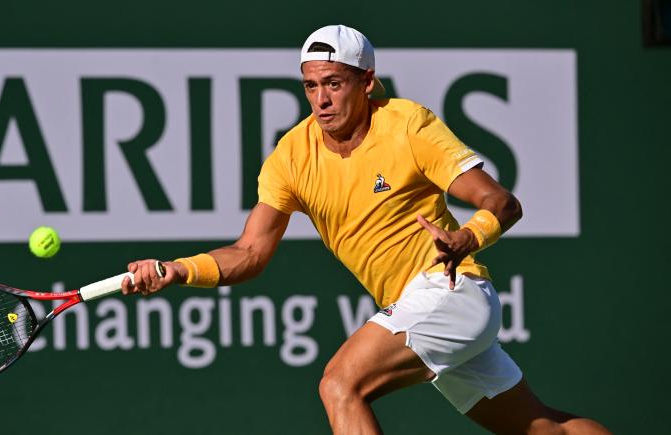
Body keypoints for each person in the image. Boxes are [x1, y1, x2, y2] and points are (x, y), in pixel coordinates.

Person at [121, 24, 611, 435]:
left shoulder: (407, 125)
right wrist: (177, 269)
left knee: (340, 383)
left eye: (334, 83)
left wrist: (467, 236)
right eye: (311, 85)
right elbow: (250, 252)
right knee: (546, 429)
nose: (321, 99)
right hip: (416, 307)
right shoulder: (290, 157)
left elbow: (500, 201)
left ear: (367, 82)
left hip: (450, 291)